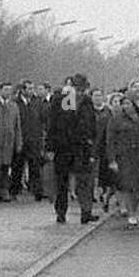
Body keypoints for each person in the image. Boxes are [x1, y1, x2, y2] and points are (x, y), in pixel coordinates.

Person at [46, 74, 100, 225]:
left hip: (81, 147)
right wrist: (50, 146)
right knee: (62, 182)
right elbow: (52, 124)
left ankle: (86, 212)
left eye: (82, 89)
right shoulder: (60, 99)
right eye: (77, 88)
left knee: (84, 181)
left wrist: (91, 143)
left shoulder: (86, 102)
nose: (80, 91)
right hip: (63, 146)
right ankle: (61, 212)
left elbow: (91, 124)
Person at [107, 92, 139, 228]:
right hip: (124, 156)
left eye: (127, 103)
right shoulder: (116, 120)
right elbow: (110, 141)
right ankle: (131, 212)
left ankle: (134, 207)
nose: (125, 106)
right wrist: (112, 160)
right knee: (128, 186)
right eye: (123, 103)